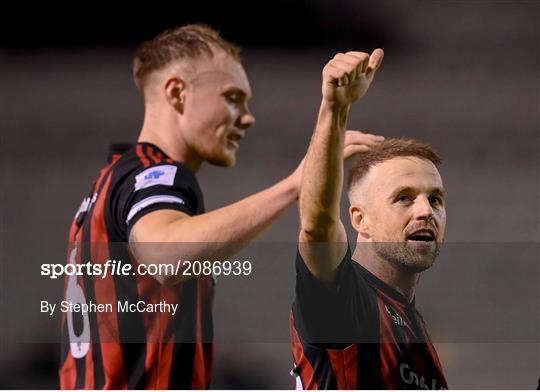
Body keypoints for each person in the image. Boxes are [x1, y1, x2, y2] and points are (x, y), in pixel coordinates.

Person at [59, 24, 367, 389]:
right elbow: (164, 255)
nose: (247, 116)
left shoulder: (111, 183)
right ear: (177, 93)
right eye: (233, 97)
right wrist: (293, 186)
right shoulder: (156, 173)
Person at [290, 50, 449, 389]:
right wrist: (333, 109)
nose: (425, 211)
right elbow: (316, 223)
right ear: (360, 220)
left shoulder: (412, 323)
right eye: (403, 197)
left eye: (435, 199)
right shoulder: (345, 299)